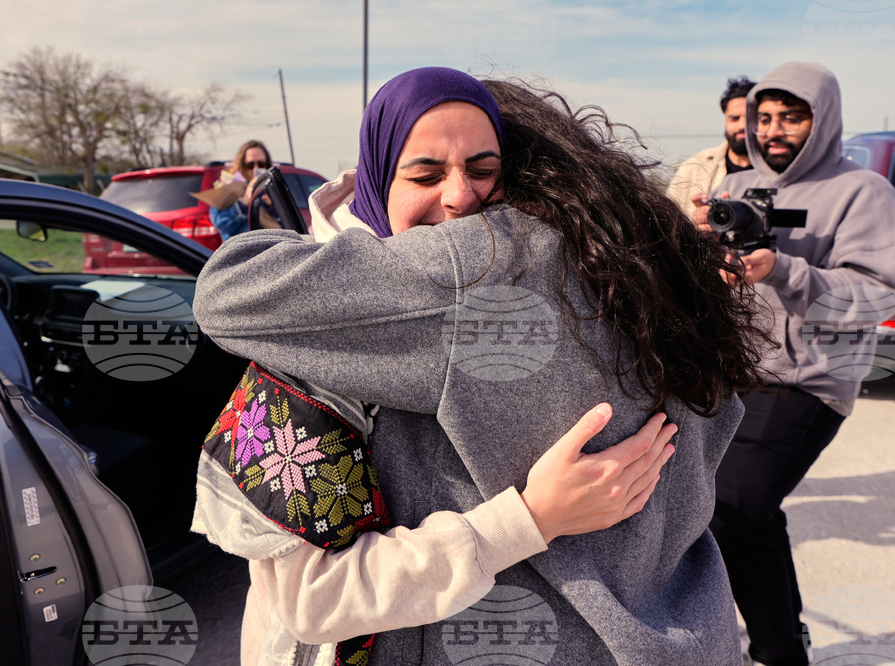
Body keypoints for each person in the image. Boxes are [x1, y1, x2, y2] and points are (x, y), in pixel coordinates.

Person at [195, 68, 770, 665]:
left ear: (514, 168)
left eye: (483, 169)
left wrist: (526, 522)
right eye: (424, 174)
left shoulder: (473, 264)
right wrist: (529, 517)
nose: (459, 197)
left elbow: (226, 291)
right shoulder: (646, 261)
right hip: (689, 632)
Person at [692, 62, 895, 666]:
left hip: (809, 379)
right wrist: (697, 241)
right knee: (739, 515)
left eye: (791, 117)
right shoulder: (737, 186)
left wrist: (786, 269)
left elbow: (881, 293)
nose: (773, 130)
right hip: (735, 369)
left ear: (823, 119)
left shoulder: (863, 191)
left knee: (734, 509)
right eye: (764, 118)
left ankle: (776, 651)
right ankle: (781, 642)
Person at [666, 75, 756, 220]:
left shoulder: (783, 171)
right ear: (725, 118)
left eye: (750, 118)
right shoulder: (694, 169)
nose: (742, 125)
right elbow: (668, 224)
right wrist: (696, 227)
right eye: (734, 118)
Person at [210, 139, 273, 240]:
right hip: (240, 248)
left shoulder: (273, 188)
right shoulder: (228, 187)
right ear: (242, 164)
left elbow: (288, 226)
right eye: (250, 165)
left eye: (261, 164)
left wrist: (271, 205)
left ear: (267, 165)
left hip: (270, 247)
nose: (256, 168)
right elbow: (221, 224)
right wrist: (243, 204)